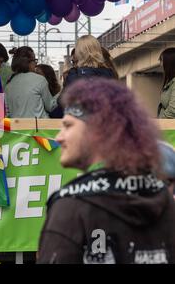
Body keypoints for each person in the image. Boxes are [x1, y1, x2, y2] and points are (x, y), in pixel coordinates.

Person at [37, 79, 175, 264]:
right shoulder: (164, 201)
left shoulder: (71, 206)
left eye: (68, 125)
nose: (58, 137)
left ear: (99, 130)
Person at [5, 47, 57, 118]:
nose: (36, 64)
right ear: (28, 62)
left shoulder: (9, 85)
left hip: (16, 128)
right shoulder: (40, 80)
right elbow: (50, 106)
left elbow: (7, 113)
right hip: (39, 127)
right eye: (35, 60)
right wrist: (62, 93)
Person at [158, 47, 175, 119]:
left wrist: (160, 123)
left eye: (161, 61)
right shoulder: (170, 83)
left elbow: (172, 110)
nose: (160, 65)